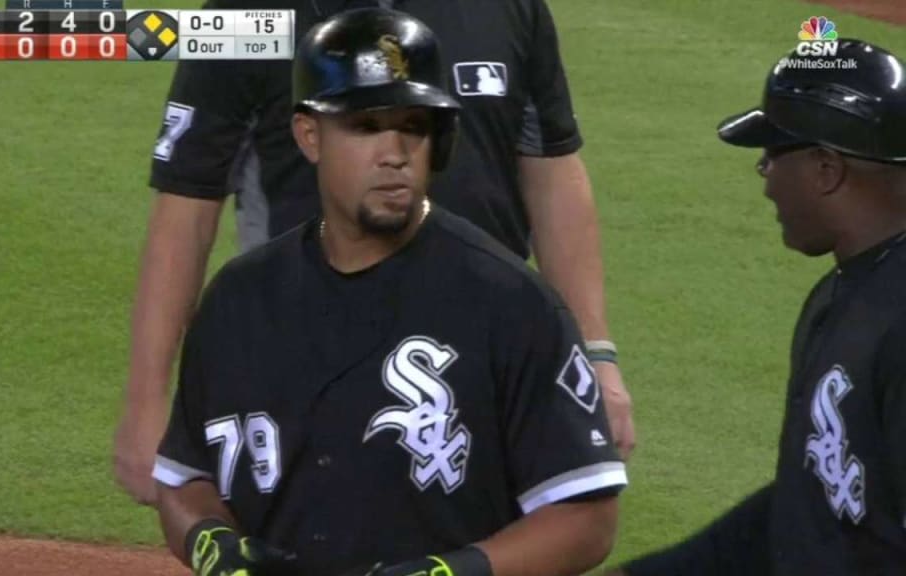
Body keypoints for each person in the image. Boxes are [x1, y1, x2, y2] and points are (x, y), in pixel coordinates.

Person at [152, 9, 628, 576]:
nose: (394, 153)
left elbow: (587, 517)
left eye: (414, 127)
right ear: (309, 135)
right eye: (365, 126)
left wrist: (450, 573)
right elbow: (185, 479)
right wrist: (214, 547)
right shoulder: (239, 302)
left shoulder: (514, 308)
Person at [604, 38, 906, 576]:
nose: (763, 173)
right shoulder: (840, 294)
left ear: (824, 168)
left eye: (774, 152)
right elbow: (807, 507)